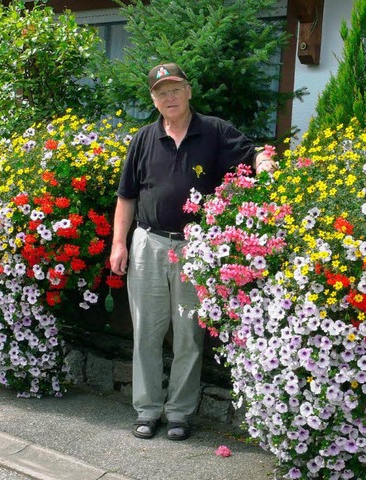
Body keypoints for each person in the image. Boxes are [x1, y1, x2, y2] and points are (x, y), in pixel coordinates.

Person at [109, 63, 277, 441]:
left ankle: (180, 413)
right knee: (146, 335)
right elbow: (127, 197)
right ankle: (147, 410)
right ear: (153, 99)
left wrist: (263, 161)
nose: (169, 97)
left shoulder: (214, 131)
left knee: (188, 335)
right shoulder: (143, 139)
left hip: (195, 249)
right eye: (161, 92)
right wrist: (119, 244)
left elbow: (252, 154)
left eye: (175, 89)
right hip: (148, 245)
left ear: (188, 91)